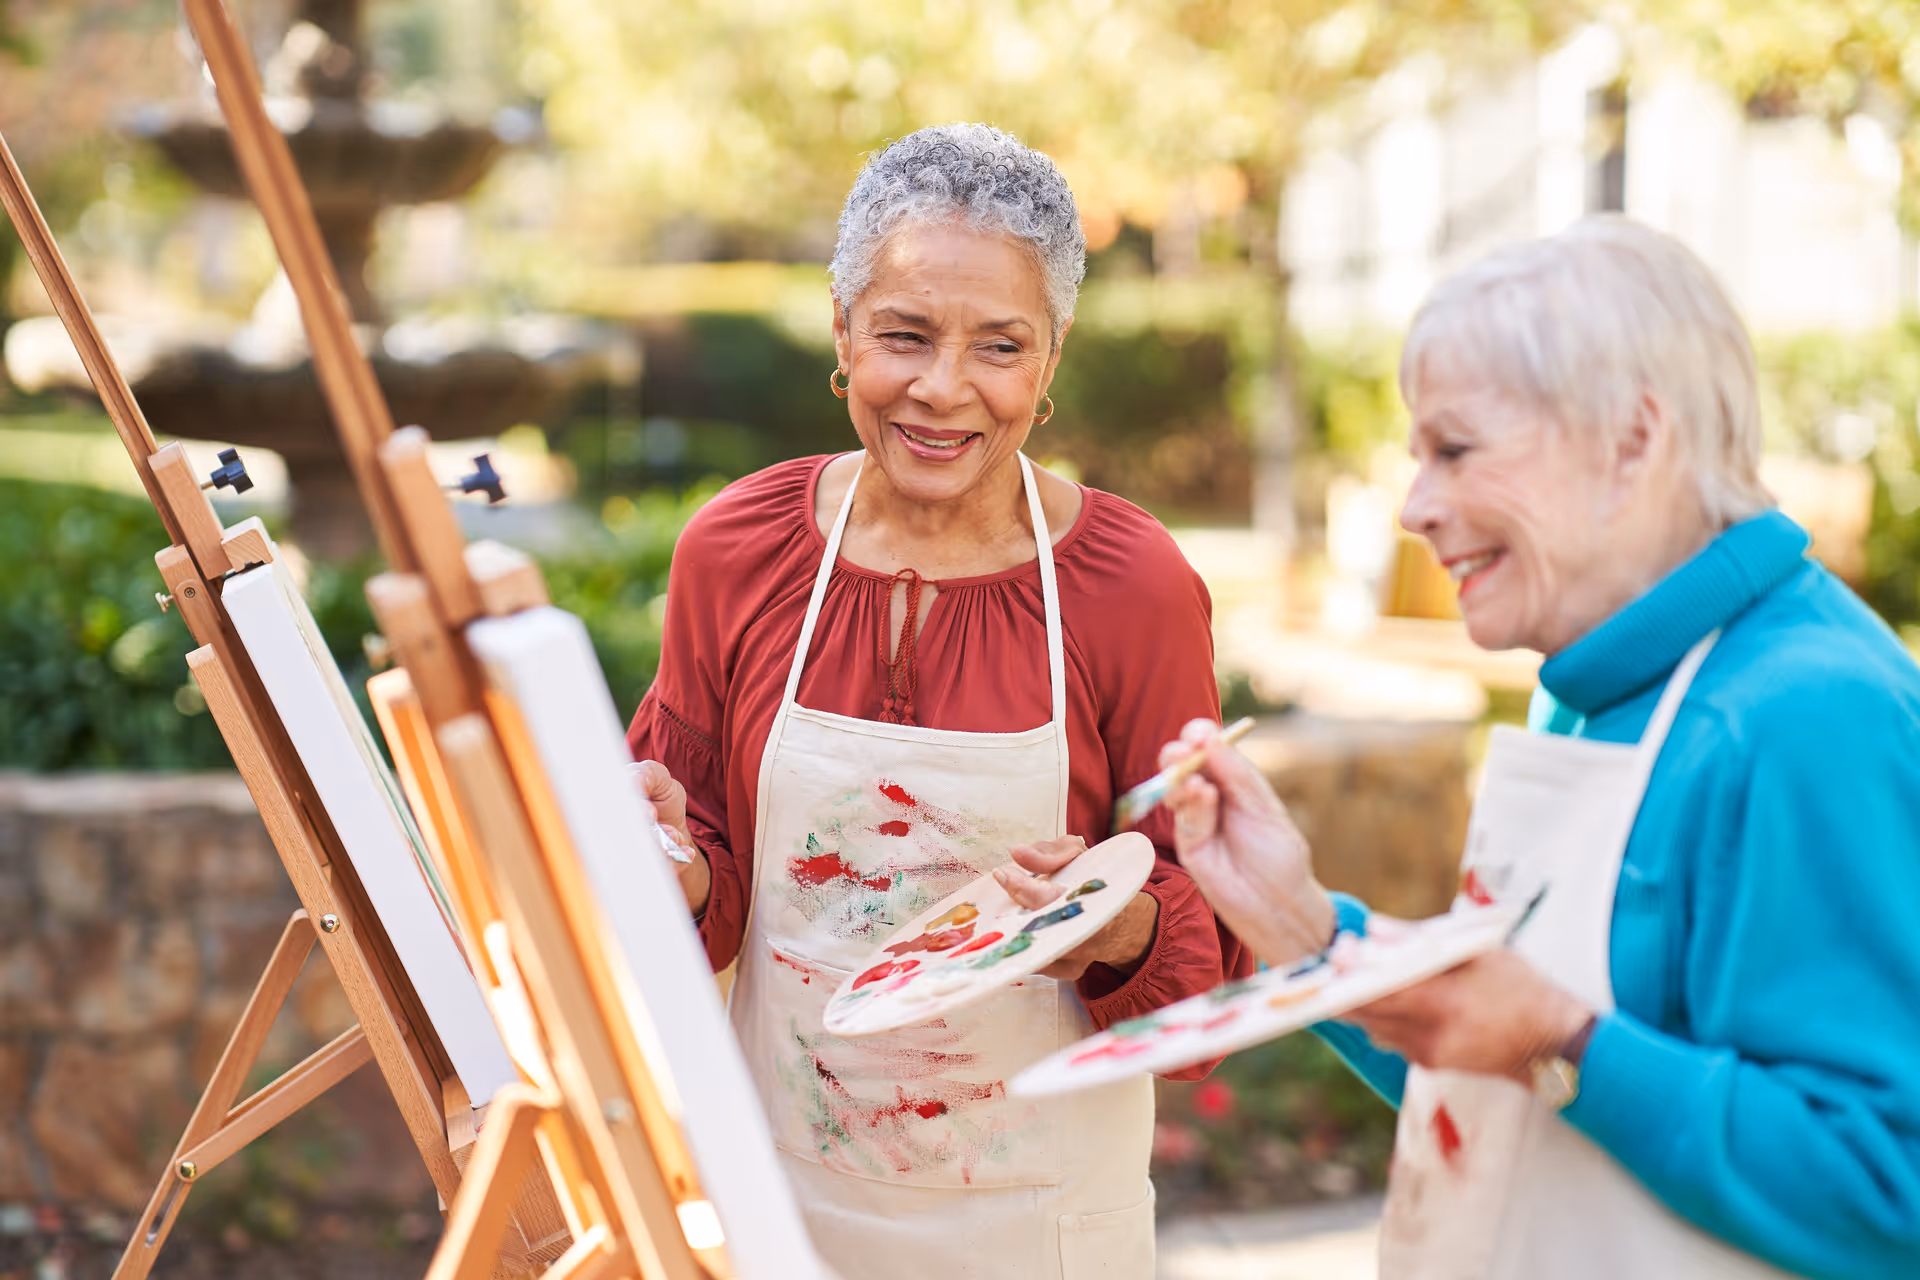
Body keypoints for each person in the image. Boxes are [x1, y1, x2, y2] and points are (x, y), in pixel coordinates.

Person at [1161, 216, 1920, 1280]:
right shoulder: (1590, 684)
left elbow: (1889, 1185)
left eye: (1455, 448)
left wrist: (1561, 1039)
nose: (1416, 507)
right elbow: (1494, 1088)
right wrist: (1302, 930)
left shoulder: (1804, 717)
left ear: (1633, 439)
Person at [623, 122, 1251, 1280]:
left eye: (999, 346)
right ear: (843, 333)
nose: (943, 387)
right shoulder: (737, 552)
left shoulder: (1132, 587)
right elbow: (705, 879)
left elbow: (1214, 968)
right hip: (778, 1208)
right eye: (902, 334)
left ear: (1050, 358)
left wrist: (1124, 928)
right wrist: (666, 863)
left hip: (1041, 1228)